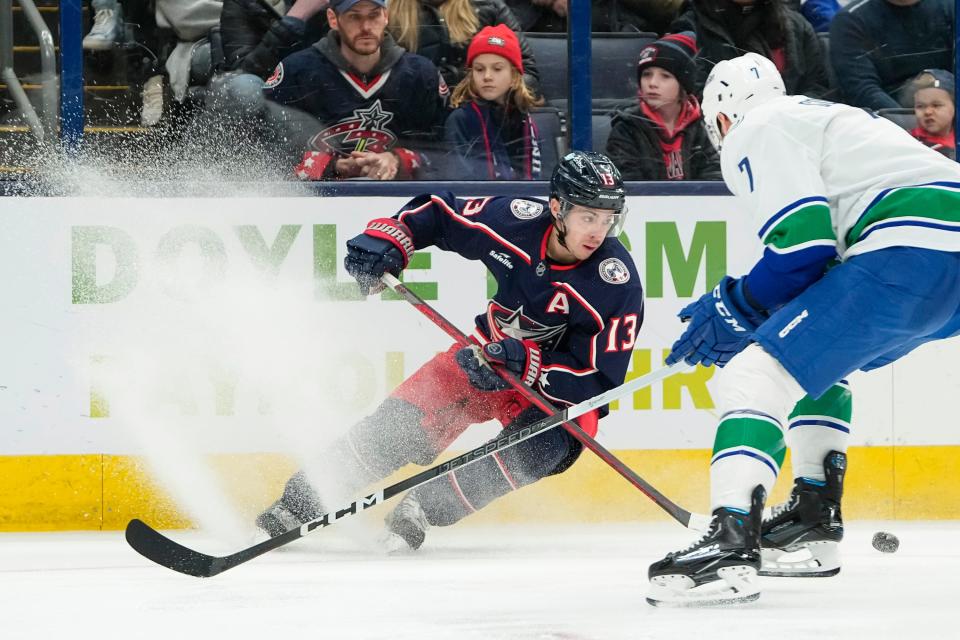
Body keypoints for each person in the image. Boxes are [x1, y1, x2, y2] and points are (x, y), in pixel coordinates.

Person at [646, 52, 960, 606]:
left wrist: (734, 303)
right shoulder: (827, 119)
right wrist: (755, 309)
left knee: (749, 379)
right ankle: (814, 519)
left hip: (909, 249)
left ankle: (731, 542)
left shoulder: (757, 128)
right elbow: (817, 268)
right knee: (814, 366)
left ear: (720, 115)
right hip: (940, 261)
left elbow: (801, 249)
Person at [255, 151, 645, 553]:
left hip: (553, 393)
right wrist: (390, 238)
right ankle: (296, 506)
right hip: (482, 358)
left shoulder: (617, 285)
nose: (598, 231)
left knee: (543, 446)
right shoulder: (515, 221)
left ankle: (424, 506)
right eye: (588, 216)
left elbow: (599, 382)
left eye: (607, 218)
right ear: (557, 208)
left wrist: (528, 366)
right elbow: (439, 212)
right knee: (395, 430)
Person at [263, 0, 449, 180]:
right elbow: (266, 153)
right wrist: (331, 167)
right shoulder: (296, 72)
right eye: (354, 17)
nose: (366, 27)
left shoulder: (421, 74)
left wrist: (400, 160)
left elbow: (447, 153)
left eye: (374, 15)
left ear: (386, 16)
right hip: (316, 201)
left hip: (398, 201)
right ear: (333, 19)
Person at [605, 32, 721, 181]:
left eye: (665, 76)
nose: (652, 83)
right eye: (646, 74)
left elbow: (713, 183)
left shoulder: (704, 126)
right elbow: (628, 186)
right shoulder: (626, 128)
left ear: (683, 84)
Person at [669, 0, 829, 98]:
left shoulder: (796, 27)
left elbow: (818, 87)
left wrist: (789, 117)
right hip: (723, 137)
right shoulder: (691, 26)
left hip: (793, 132)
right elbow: (693, 95)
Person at [444, 24, 544, 180]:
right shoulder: (460, 120)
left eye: (497, 69)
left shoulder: (526, 120)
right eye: (479, 69)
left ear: (514, 77)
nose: (487, 76)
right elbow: (461, 186)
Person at [387, 0, 540, 94]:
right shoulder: (385, 16)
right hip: (418, 116)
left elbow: (528, 75)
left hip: (481, 111)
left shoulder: (489, 6)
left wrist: (478, 88)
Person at [829, 0, 953, 110]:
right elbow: (862, 89)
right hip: (889, 121)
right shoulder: (851, 19)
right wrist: (912, 128)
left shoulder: (950, 8)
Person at [907, 69, 956, 160]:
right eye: (920, 106)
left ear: (955, 106)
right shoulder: (911, 144)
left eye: (936, 105)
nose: (927, 112)